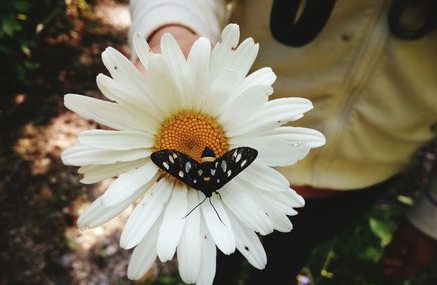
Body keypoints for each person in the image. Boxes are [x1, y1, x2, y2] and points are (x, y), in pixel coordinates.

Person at [128, 0, 437, 284]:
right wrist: (173, 26)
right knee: (223, 254)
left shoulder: (189, 172)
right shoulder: (217, 168)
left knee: (291, 252)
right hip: (241, 151)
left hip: (362, 176)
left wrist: (431, 217)